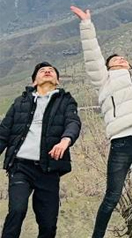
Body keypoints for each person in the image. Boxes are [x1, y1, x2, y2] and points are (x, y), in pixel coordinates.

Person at [73, 6, 132, 238]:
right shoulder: (103, 80)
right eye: (114, 59)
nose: (120, 60)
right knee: (112, 195)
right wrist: (86, 25)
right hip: (121, 142)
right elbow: (92, 55)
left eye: (123, 58)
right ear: (108, 66)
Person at [0, 62, 81, 238]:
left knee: (48, 223)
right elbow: (3, 133)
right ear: (34, 81)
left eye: (51, 70)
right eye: (42, 70)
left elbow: (73, 123)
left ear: (57, 81)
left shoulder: (66, 101)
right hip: (21, 166)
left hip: (49, 169)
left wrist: (65, 141)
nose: (47, 71)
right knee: (17, 211)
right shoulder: (20, 102)